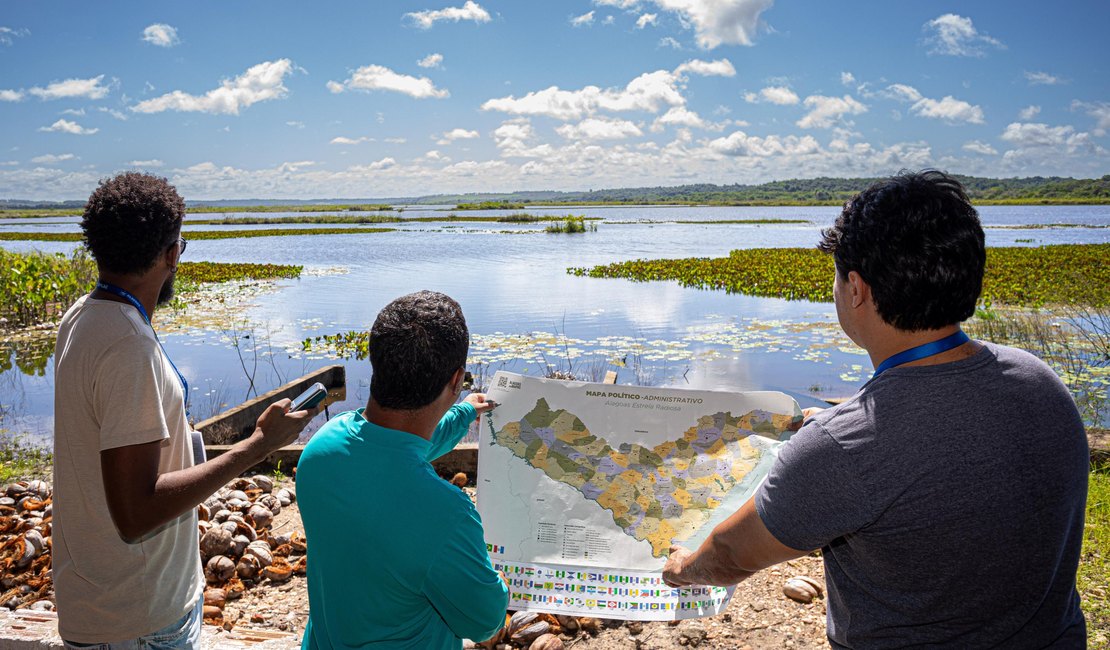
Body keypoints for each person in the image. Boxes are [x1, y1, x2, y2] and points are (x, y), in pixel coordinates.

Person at [662, 170, 1088, 648]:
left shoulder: (844, 449)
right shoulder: (1038, 378)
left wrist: (683, 567)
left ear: (857, 289)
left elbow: (731, 556)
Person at [52, 172, 320, 647]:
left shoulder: (83, 316)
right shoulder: (127, 347)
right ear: (172, 253)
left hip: (99, 600)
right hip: (138, 618)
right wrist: (258, 445)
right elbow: (135, 511)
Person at [297, 290, 508, 650]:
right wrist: (498, 579)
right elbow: (485, 622)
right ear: (457, 381)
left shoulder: (322, 449)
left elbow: (396, 447)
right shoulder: (446, 514)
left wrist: (464, 413)